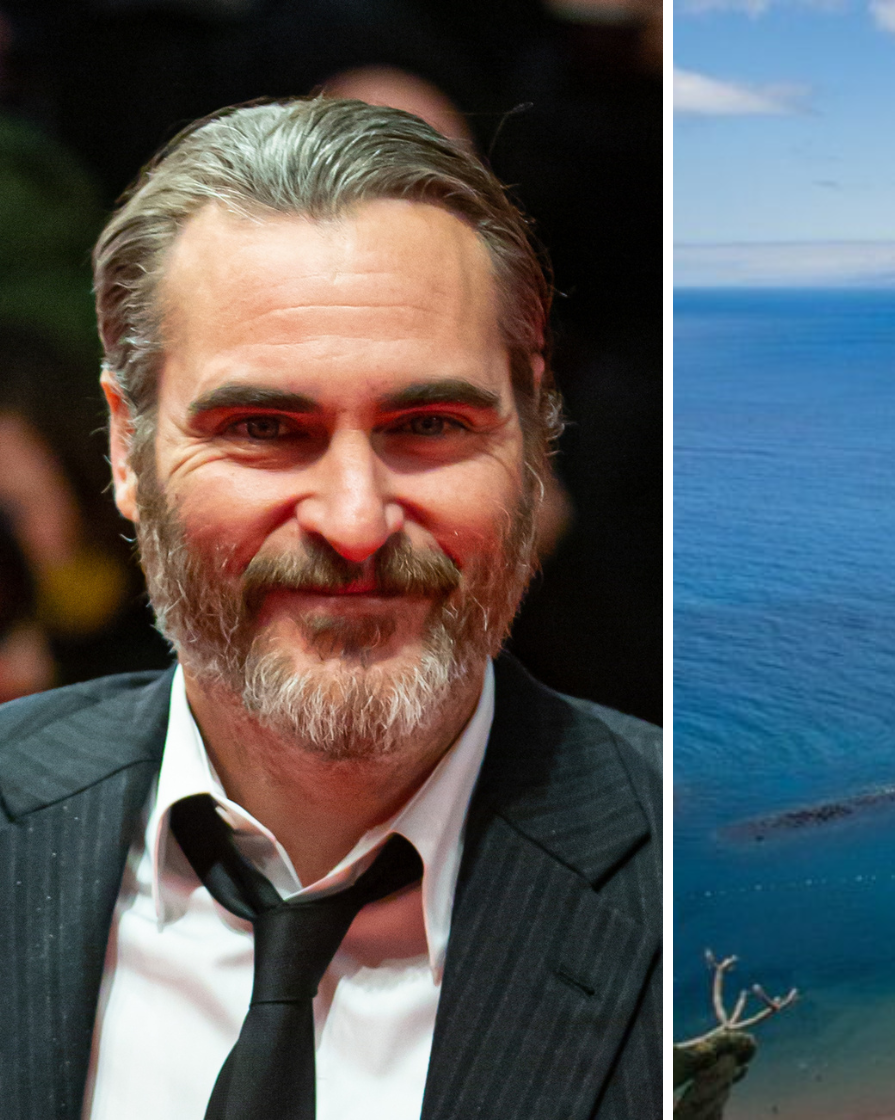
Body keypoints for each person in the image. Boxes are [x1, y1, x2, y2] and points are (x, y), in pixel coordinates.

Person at [0, 98, 661, 1120]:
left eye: (429, 422)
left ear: (535, 436)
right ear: (128, 450)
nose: (355, 522)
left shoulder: (689, 878)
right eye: (264, 426)